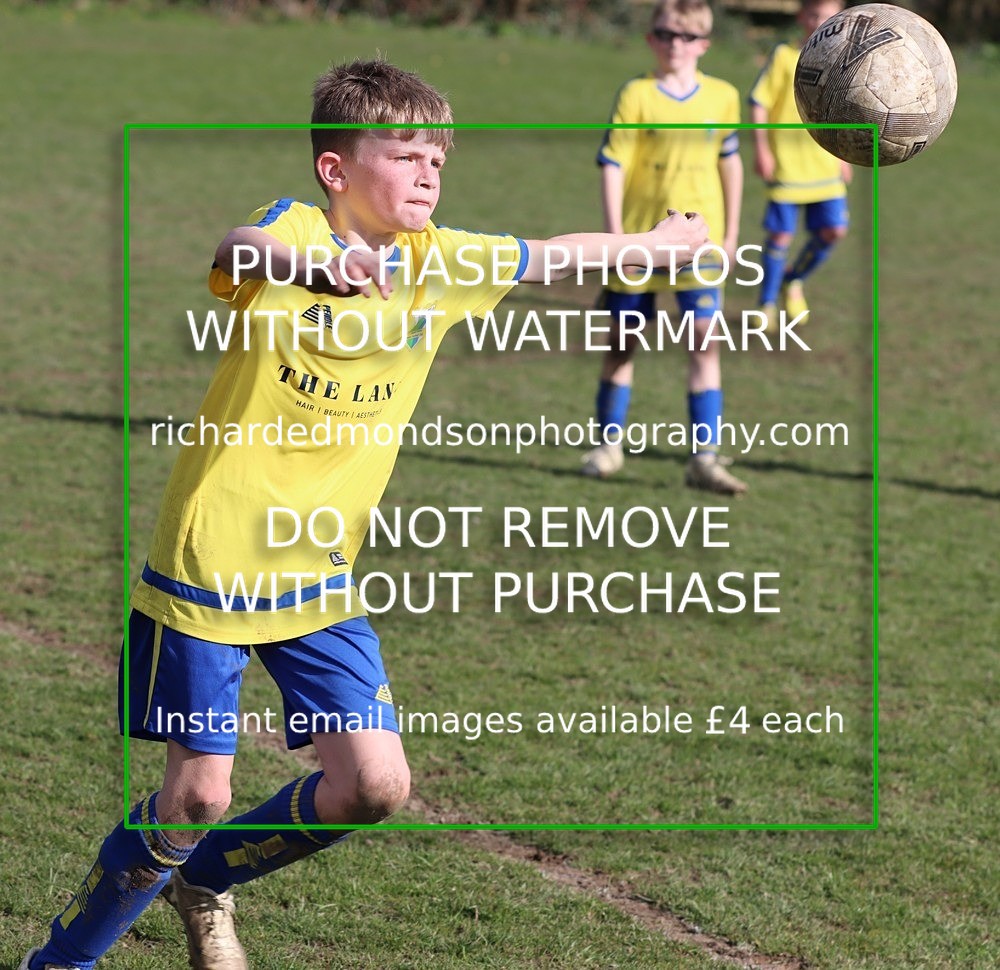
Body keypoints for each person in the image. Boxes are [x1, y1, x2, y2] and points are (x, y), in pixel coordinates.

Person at [22, 60, 709, 970]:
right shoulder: (294, 230)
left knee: (375, 785)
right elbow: (239, 247)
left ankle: (205, 879)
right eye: (405, 154)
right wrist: (320, 265)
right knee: (193, 799)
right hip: (213, 555)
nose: (429, 173)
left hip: (319, 572)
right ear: (337, 171)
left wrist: (652, 250)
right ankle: (57, 963)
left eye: (439, 158)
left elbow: (550, 254)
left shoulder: (440, 264)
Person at [580, 0, 746, 494]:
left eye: (687, 36)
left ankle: (705, 459)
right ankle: (608, 445)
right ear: (651, 38)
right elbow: (613, 164)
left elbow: (730, 162)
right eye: (666, 34)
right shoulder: (636, 94)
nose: (676, 44)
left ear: (705, 44)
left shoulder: (723, 96)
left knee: (703, 345)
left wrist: (732, 234)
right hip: (640, 242)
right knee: (622, 344)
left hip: (700, 247)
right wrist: (617, 241)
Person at [749, 0, 851, 330]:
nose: (818, 21)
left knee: (833, 231)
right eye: (812, 14)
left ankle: (792, 279)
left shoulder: (842, 62)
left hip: (825, 166)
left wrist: (843, 155)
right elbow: (759, 103)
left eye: (826, 16)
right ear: (801, 17)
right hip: (788, 166)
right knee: (780, 237)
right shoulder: (784, 57)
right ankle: (765, 303)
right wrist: (762, 148)